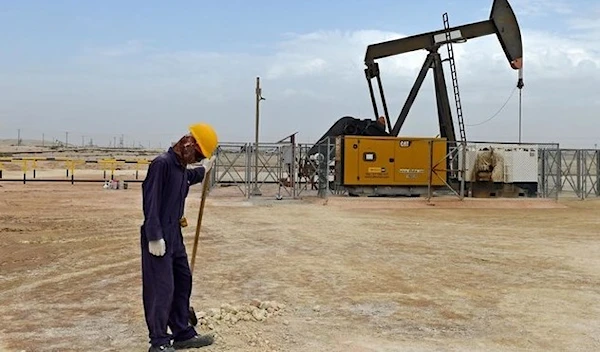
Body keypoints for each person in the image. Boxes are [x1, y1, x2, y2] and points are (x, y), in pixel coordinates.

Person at [140, 123, 218, 352]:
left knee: (183, 281)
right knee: (161, 289)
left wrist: (204, 169)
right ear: (188, 144)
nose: (196, 159)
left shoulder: (181, 167)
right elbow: (151, 201)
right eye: (198, 154)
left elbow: (187, 177)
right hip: (159, 235)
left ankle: (182, 332)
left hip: (175, 235)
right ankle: (159, 342)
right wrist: (154, 235)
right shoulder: (161, 164)